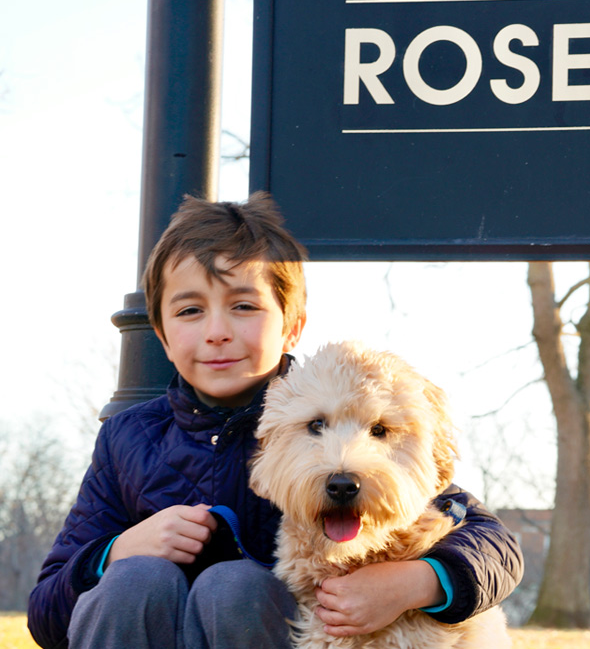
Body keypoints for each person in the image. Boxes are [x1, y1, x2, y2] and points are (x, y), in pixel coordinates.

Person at [27, 193, 523, 649]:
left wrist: (414, 582)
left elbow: (495, 545)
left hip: (260, 622)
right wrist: (115, 551)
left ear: (292, 326)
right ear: (160, 332)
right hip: (148, 622)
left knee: (234, 585)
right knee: (136, 577)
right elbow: (45, 614)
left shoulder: (325, 409)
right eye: (190, 311)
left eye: (244, 306)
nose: (217, 332)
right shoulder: (127, 438)